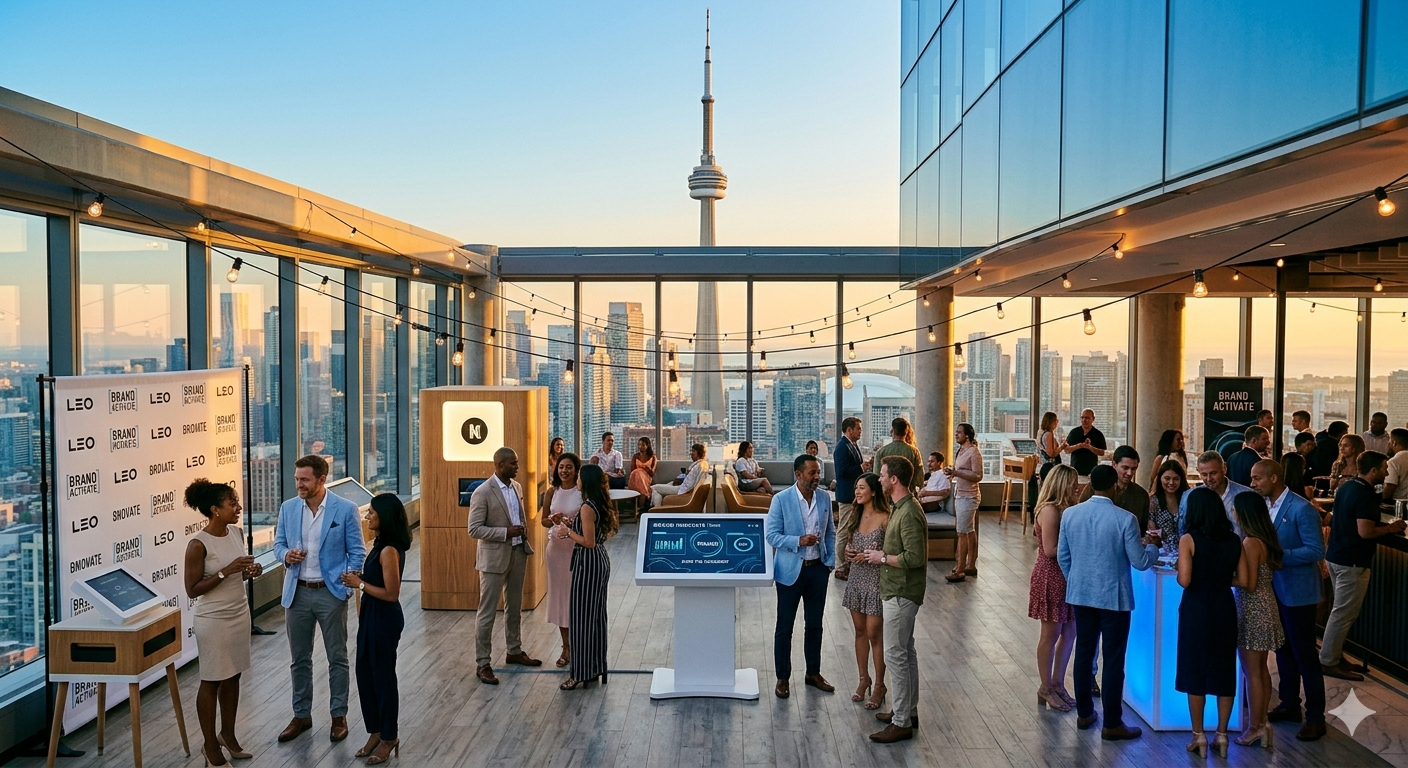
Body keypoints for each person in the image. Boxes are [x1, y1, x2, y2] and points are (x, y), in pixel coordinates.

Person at [1057, 465, 1161, 740]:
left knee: (1084, 653)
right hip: (1114, 598)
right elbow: (1139, 562)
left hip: (1081, 595)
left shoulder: (1070, 514)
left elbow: (1063, 557)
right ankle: (1112, 722)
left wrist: (1077, 580)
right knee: (1113, 659)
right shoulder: (1124, 519)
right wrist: (1153, 546)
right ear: (1114, 485)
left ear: (1091, 484)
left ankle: (1084, 714)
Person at [273, 454, 365, 743]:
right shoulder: (288, 508)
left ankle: (339, 715)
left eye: (304, 480)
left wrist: (348, 583)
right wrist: (286, 555)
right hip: (297, 592)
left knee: (337, 658)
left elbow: (357, 551)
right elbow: (278, 544)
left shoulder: (345, 509)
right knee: (299, 659)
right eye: (297, 479)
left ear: (321, 479)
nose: (298, 484)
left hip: (331, 593)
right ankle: (301, 715)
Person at [1246, 459, 1327, 742]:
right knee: (1282, 651)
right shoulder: (1266, 507)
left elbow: (1316, 549)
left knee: (1305, 654)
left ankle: (1316, 716)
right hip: (1275, 590)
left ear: (1274, 478)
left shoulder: (1301, 509)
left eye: (1257, 479)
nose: (1253, 483)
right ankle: (1290, 704)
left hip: (1299, 593)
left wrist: (1279, 557)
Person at [183, 480, 262, 766]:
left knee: (234, 674)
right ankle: (209, 746)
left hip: (239, 613)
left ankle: (227, 735)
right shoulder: (197, 544)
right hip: (213, 620)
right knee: (213, 679)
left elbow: (235, 577)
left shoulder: (236, 533)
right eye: (233, 504)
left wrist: (247, 572)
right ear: (215, 510)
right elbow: (192, 590)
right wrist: (226, 572)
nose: (238, 508)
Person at [1321, 452, 1406, 681]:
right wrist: (1390, 528)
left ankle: (1335, 655)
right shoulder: (1366, 494)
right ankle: (1328, 661)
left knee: (1339, 610)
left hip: (1336, 556)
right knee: (1343, 613)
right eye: (1384, 468)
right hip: (1352, 561)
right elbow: (1365, 531)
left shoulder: (1347, 487)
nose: (1387, 472)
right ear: (1373, 470)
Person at [340, 493, 410, 764]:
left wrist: (358, 583)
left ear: (385, 516)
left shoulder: (390, 550)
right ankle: (376, 731)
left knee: (382, 677)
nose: (367, 516)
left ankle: (389, 736)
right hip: (372, 615)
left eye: (371, 512)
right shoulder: (380, 544)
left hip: (384, 617)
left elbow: (391, 593)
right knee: (365, 673)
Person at [1174, 487, 1242, 759]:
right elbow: (1245, 580)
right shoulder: (1234, 539)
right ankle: (1222, 735)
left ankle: (1198, 735)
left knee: (1195, 668)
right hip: (1224, 605)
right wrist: (1221, 578)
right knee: (1224, 668)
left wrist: (1182, 570)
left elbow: (1185, 580)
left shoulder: (1188, 539)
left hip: (1196, 608)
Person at [866, 455, 928, 743]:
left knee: (895, 655)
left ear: (894, 480)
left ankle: (902, 720)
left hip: (901, 592)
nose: (878, 478)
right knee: (906, 651)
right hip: (897, 589)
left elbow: (915, 557)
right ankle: (908, 712)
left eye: (882, 474)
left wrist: (882, 557)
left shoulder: (909, 511)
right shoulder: (901, 507)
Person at [765, 454, 836, 698]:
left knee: (815, 625)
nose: (818, 477)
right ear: (798, 475)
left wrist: (830, 563)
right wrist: (798, 541)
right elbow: (771, 535)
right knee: (784, 627)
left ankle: (813, 673)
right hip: (790, 573)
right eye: (812, 473)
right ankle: (782, 678)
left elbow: (830, 533)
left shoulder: (825, 498)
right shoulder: (781, 500)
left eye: (819, 472)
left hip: (818, 570)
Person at [468, 447, 542, 685]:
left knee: (514, 607)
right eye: (513, 463)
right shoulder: (482, 492)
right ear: (499, 465)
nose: (517, 467)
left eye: (517, 462)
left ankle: (514, 650)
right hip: (493, 560)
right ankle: (483, 663)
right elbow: (474, 529)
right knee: (487, 612)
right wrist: (505, 533)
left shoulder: (517, 487)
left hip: (518, 554)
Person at [554, 463, 617, 690]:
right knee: (596, 618)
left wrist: (567, 532)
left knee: (580, 620)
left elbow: (588, 542)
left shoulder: (586, 507)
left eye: (579, 477)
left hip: (588, 564)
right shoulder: (595, 504)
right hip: (599, 562)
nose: (576, 480)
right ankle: (595, 667)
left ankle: (578, 673)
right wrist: (572, 523)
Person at [1231, 491, 1285, 750]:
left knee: (1251, 672)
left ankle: (1255, 727)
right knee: (1260, 670)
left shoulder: (1250, 543)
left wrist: (1221, 577)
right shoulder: (1265, 538)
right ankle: (1262, 724)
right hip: (1267, 605)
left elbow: (1248, 583)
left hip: (1253, 609)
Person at [1029, 464, 1080, 713]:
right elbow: (1050, 550)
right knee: (1050, 634)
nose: (1077, 487)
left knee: (1070, 632)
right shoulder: (1050, 510)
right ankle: (1045, 686)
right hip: (1051, 575)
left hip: (1067, 576)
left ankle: (1058, 683)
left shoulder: (1066, 509)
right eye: (1072, 484)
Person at [840, 473, 889, 710]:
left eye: (861, 488)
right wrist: (848, 553)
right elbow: (849, 545)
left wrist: (873, 556)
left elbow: (890, 553)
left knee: (874, 634)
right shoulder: (855, 514)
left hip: (877, 581)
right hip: (856, 580)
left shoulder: (886, 518)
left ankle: (880, 685)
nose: (857, 492)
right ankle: (863, 679)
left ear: (873, 491)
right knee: (860, 631)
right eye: (856, 488)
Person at [542, 452, 582, 668]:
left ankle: (578, 646)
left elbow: (588, 523)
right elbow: (544, 522)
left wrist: (571, 522)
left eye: (568, 467)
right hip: (556, 551)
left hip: (576, 551)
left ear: (576, 470)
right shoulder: (552, 492)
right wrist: (552, 519)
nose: (564, 470)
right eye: (561, 467)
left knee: (575, 599)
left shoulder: (581, 493)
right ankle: (565, 647)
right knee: (560, 600)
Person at [944, 423, 982, 582]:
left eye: (959, 432)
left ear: (967, 435)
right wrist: (953, 472)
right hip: (961, 494)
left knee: (961, 532)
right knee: (968, 530)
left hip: (969, 497)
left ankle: (960, 569)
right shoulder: (962, 451)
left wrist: (957, 472)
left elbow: (978, 475)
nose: (956, 434)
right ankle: (970, 565)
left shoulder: (973, 452)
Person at [833, 417, 870, 580]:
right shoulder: (842, 447)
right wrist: (860, 468)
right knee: (843, 531)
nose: (860, 432)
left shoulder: (852, 445)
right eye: (858, 429)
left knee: (850, 530)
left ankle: (847, 563)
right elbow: (842, 472)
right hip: (847, 495)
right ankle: (840, 567)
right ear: (849, 430)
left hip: (853, 496)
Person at [1179, 451, 1250, 536]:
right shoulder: (1188, 497)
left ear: (1224, 468)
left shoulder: (1246, 495)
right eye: (1204, 474)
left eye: (1213, 473)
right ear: (1198, 471)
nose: (1209, 479)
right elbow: (1182, 530)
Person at [1148, 460, 1188, 557]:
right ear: (1160, 479)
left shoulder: (1187, 499)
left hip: (1186, 552)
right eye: (1167, 478)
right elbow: (1152, 531)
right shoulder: (1153, 502)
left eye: (1176, 479)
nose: (1171, 482)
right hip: (1162, 554)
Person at [874, 418, 923, 491]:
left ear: (892, 431)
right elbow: (920, 479)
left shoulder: (881, 452)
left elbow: (876, 477)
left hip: (886, 497)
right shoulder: (914, 452)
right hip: (907, 494)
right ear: (906, 432)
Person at [1033, 412, 1065, 511]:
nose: (1057, 423)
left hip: (1044, 465)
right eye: (1056, 420)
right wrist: (1062, 447)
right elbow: (1051, 454)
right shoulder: (1049, 434)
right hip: (1050, 466)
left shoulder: (1040, 432)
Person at [1063, 409, 1107, 477]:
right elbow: (1066, 450)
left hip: (1091, 471)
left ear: (1093, 419)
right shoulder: (1074, 432)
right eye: (1082, 417)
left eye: (1087, 418)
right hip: (1075, 471)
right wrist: (1078, 446)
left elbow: (1102, 453)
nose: (1084, 420)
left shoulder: (1098, 434)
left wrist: (1090, 447)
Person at [627, 437, 657, 511]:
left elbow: (652, 473)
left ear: (647, 446)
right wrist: (640, 470)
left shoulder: (653, 457)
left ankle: (638, 507)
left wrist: (647, 470)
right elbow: (632, 471)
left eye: (643, 445)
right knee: (637, 472)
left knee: (639, 473)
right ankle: (642, 505)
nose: (640, 447)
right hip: (635, 478)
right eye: (639, 445)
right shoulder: (635, 456)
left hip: (646, 478)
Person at [1383, 428, 1408, 501]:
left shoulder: (1394, 462)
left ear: (1394, 443)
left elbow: (1389, 488)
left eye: (1390, 441)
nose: (1388, 443)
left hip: (1399, 505)